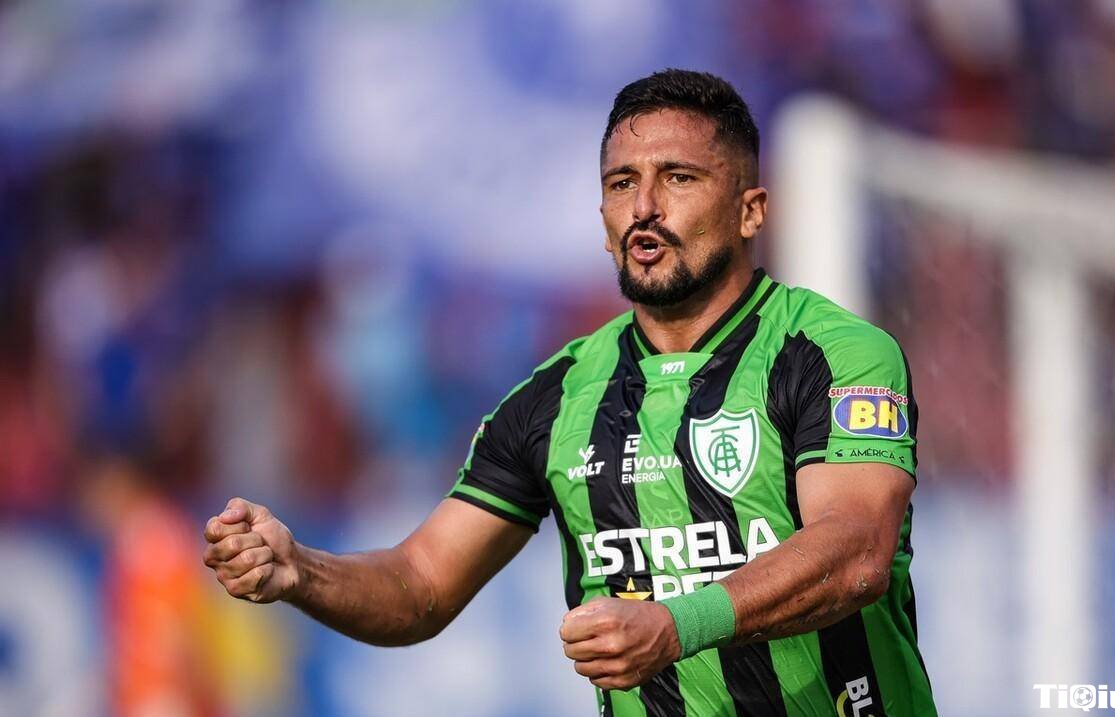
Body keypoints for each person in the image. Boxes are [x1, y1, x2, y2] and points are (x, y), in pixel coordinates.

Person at [203, 69, 937, 717]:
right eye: (622, 184)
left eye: (679, 178)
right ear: (604, 223)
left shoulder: (833, 353)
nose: (644, 206)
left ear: (750, 210)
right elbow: (421, 584)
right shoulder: (557, 398)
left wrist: (675, 626)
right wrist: (301, 570)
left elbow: (856, 552)